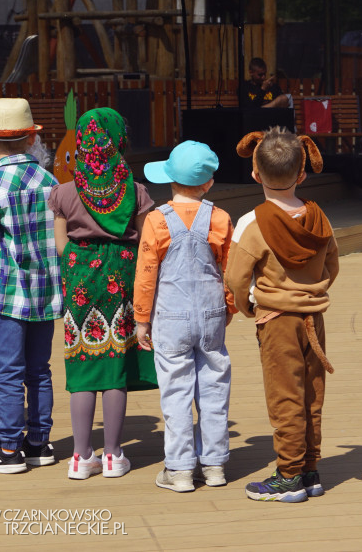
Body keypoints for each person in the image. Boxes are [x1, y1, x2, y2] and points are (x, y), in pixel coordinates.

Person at [226, 127, 339, 503]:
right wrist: (312, 291)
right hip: (314, 320)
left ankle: (289, 476)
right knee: (311, 396)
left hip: (276, 321)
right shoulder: (319, 217)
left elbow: (236, 278)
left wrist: (247, 307)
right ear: (302, 174)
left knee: (284, 398)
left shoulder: (252, 223)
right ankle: (310, 469)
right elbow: (333, 266)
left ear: (255, 174)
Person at [48, 108, 156, 481]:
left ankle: (80, 457)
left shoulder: (63, 192)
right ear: (118, 140)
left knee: (82, 362)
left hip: (80, 284)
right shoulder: (136, 191)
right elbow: (147, 241)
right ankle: (112, 456)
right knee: (114, 367)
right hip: (121, 279)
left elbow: (61, 245)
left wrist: (82, 260)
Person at [0, 98, 62, 474]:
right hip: (45, 292)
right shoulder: (50, 182)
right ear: (31, 139)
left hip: (6, 296)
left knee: (8, 372)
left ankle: (9, 451)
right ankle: (38, 443)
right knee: (39, 369)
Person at [135, 141, 234, 493]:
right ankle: (215, 465)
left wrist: (141, 320)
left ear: (169, 181)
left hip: (171, 318)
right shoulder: (220, 218)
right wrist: (229, 306)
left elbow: (147, 274)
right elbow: (229, 270)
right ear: (207, 184)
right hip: (211, 315)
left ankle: (178, 470)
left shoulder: (156, 220)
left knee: (175, 394)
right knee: (214, 392)